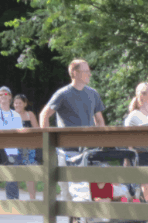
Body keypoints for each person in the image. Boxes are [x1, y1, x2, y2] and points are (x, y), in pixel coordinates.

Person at [40, 59, 106, 201]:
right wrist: (49, 143)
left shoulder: (93, 93)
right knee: (68, 192)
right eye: (86, 71)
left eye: (89, 71)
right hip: (67, 150)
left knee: (93, 187)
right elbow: (44, 115)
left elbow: (100, 120)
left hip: (89, 149)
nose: (89, 74)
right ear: (75, 73)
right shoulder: (63, 93)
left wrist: (101, 142)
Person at [13, 94, 40, 200]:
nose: (17, 105)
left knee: (30, 173)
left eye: (20, 103)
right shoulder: (10, 115)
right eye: (15, 103)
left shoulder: (30, 114)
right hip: (14, 148)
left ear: (25, 104)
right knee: (14, 172)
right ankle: (14, 199)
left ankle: (32, 198)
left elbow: (37, 129)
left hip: (29, 148)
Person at [0, 86, 22, 200]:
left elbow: (20, 133)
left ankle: (13, 201)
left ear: (10, 97)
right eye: (0, 94)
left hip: (12, 149)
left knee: (12, 176)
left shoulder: (16, 115)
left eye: (5, 94)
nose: (2, 96)